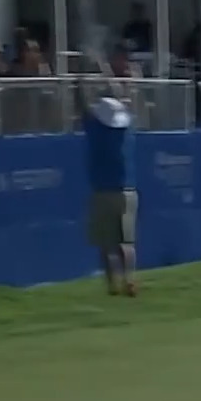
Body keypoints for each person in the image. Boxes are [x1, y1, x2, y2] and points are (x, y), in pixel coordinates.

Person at [81, 83, 139, 296]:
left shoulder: (96, 131)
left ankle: (112, 285)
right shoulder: (127, 130)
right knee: (126, 242)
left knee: (107, 245)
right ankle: (129, 279)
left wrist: (81, 82)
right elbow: (128, 105)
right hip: (128, 192)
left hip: (103, 192)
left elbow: (83, 108)